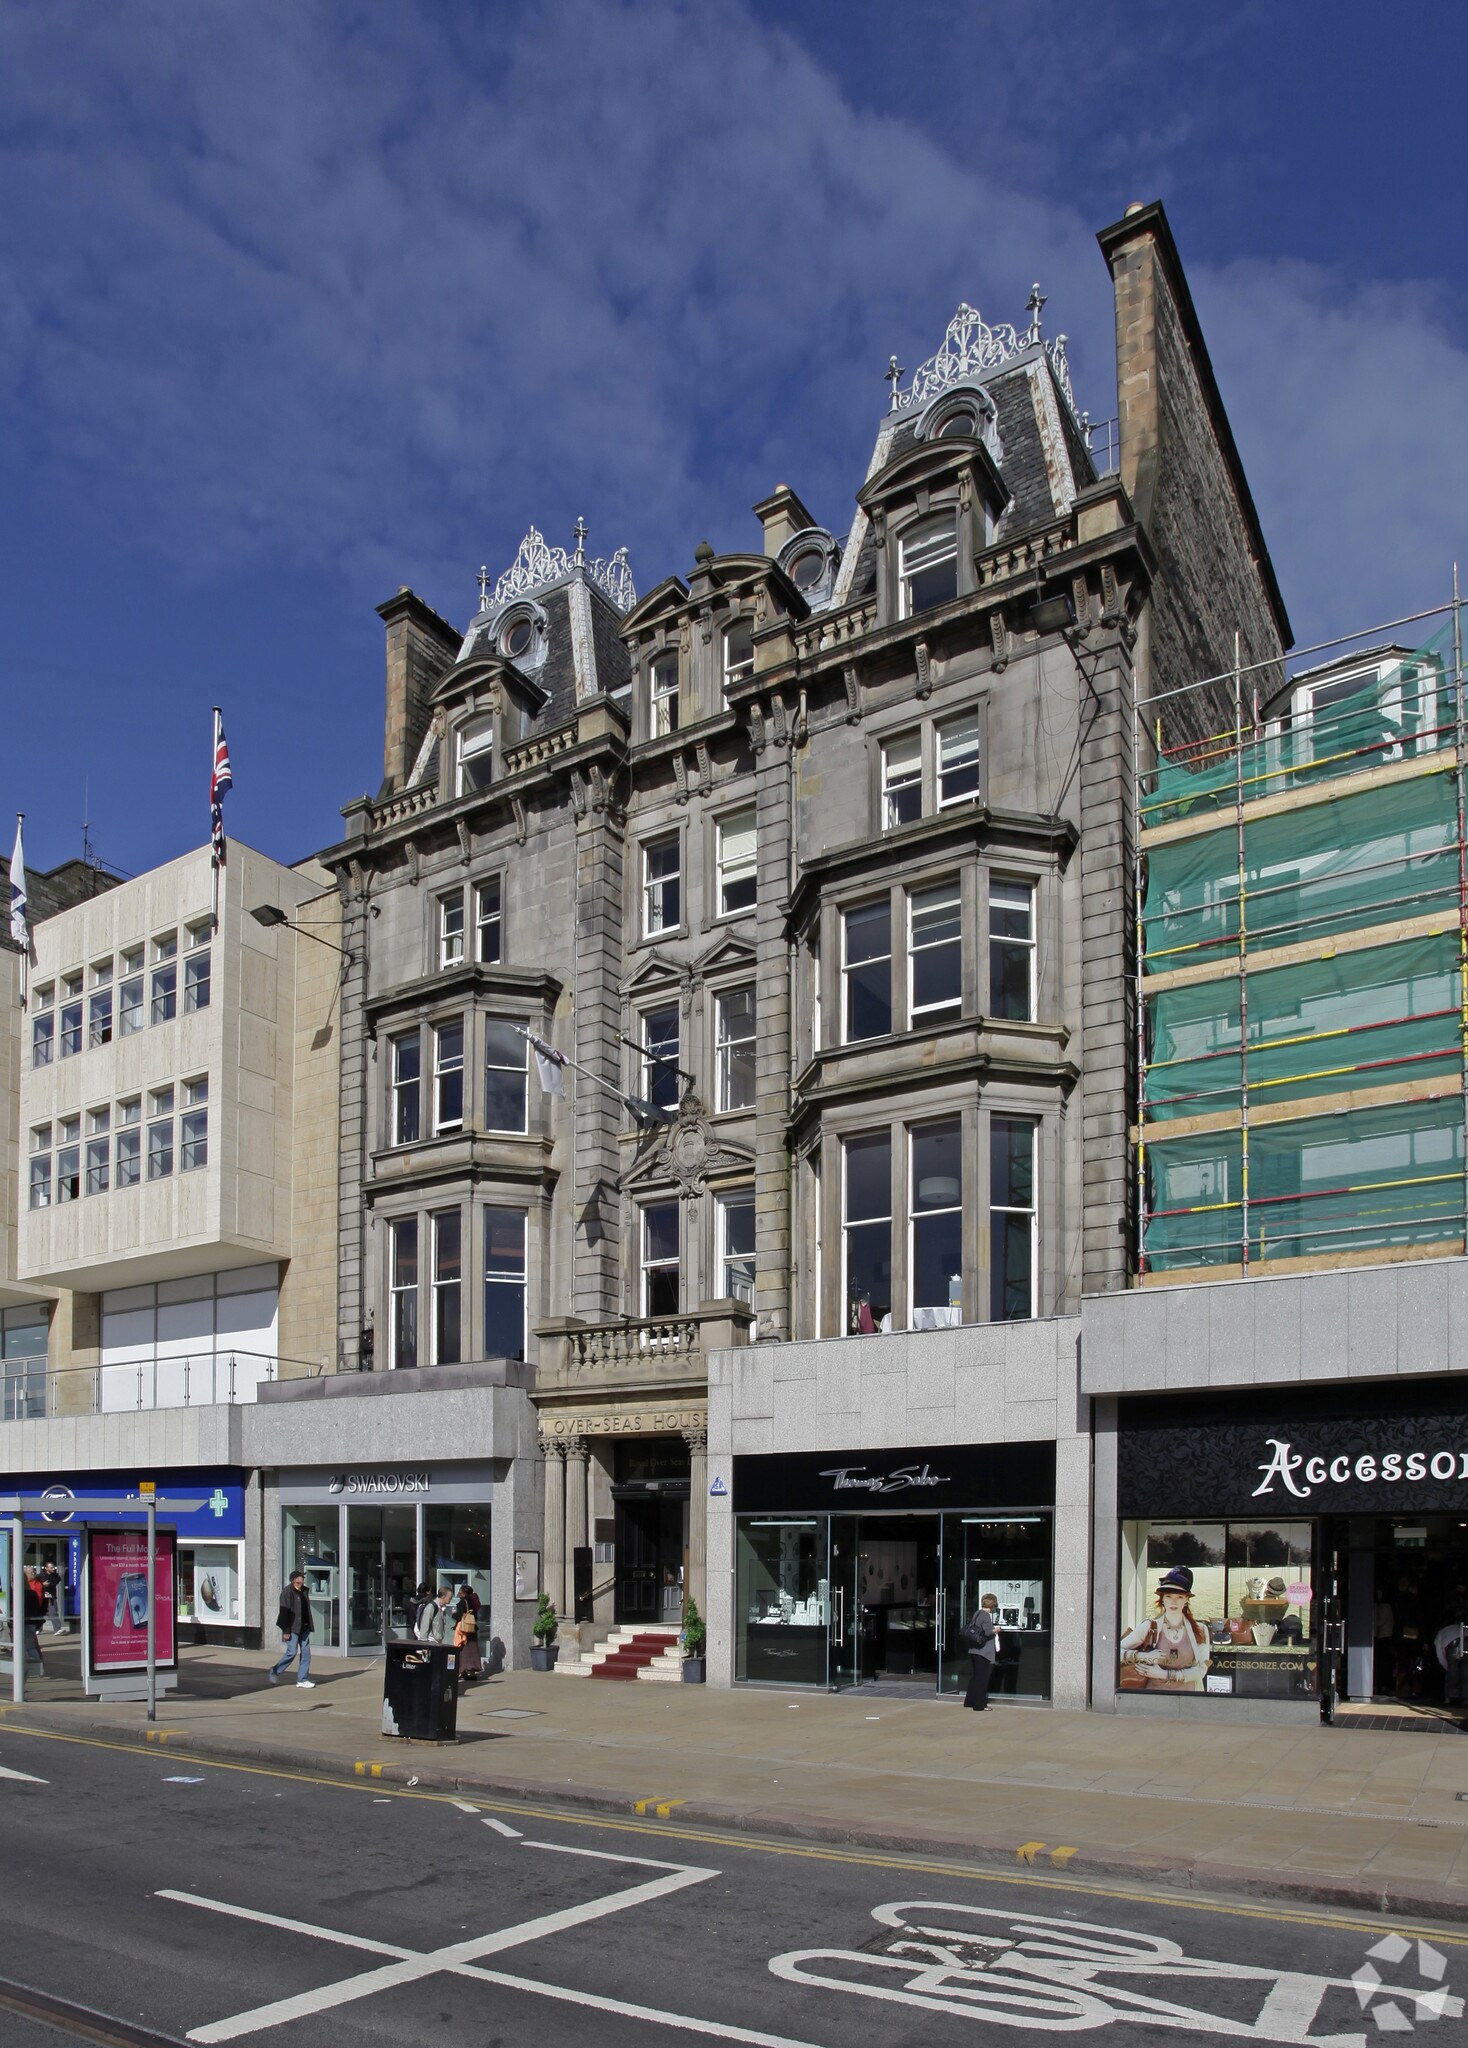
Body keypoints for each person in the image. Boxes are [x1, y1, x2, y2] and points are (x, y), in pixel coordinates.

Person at [1119, 1565, 1210, 1692]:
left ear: (1186, 1600)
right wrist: (1142, 1656)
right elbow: (1115, 1652)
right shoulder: (1149, 1627)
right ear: (1162, 1599)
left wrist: (1163, 1674)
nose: (1174, 1602)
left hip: (1188, 1699)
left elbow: (1201, 1670)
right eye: (1168, 1596)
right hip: (1155, 1699)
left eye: (1179, 1597)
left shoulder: (1200, 1630)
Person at [267, 1570, 315, 1688]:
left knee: (306, 1653)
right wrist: (286, 1631)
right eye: (299, 1580)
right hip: (292, 1628)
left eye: (302, 1580)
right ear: (293, 1580)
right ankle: (275, 1670)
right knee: (291, 1652)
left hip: (304, 1627)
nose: (301, 1582)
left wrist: (308, 1625)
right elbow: (284, 1613)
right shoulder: (287, 1592)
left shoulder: (304, 1591)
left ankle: (302, 1679)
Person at [961, 1592, 1000, 1711]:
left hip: (973, 1650)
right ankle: (980, 1704)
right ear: (993, 1605)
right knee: (982, 1679)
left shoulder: (977, 1613)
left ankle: (969, 1701)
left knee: (975, 1677)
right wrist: (996, 1630)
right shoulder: (986, 1616)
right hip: (983, 1651)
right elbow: (988, 1632)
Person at [452, 1590, 482, 1684]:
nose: (459, 1593)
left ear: (465, 1593)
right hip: (471, 1628)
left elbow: (459, 1616)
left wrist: (453, 1614)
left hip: (464, 1630)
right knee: (472, 1650)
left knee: (464, 1650)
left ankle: (465, 1670)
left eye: (461, 1592)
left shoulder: (462, 1603)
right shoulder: (472, 1602)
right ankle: (470, 1671)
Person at [22, 1571, 46, 1675]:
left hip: (24, 1623)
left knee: (28, 1647)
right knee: (31, 1647)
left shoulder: (18, 1593)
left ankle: (36, 1669)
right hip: (31, 1623)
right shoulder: (32, 1593)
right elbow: (38, 1608)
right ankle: (38, 1669)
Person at [40, 1561, 64, 1634]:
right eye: (51, 1567)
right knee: (41, 1613)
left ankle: (57, 1629)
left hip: (51, 1596)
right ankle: (38, 1628)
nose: (53, 1569)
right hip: (42, 1596)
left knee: (53, 1612)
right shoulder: (41, 1575)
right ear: (46, 1568)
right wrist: (42, 1584)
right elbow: (36, 1582)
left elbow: (53, 1583)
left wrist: (47, 1584)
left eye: (53, 1567)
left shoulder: (55, 1576)